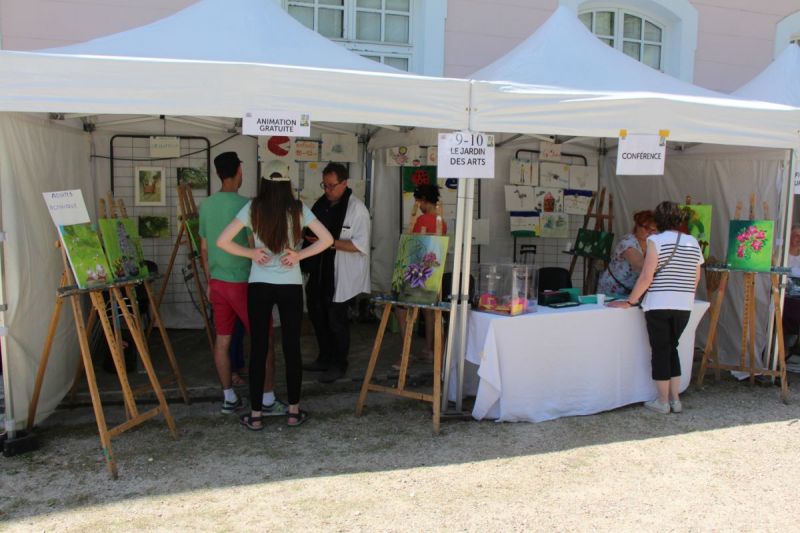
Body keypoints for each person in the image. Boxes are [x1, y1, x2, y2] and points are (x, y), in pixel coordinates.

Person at [217, 160, 333, 430]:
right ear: (287, 182)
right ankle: (293, 411)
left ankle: (256, 415)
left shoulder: (253, 207)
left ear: (264, 182)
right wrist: (299, 255)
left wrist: (251, 253)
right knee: (292, 348)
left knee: (258, 348)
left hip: (259, 284)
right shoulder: (298, 209)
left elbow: (222, 241)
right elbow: (327, 240)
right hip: (290, 284)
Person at [199, 151, 285, 416]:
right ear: (239, 171)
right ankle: (267, 400)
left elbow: (204, 249)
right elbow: (252, 245)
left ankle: (228, 398)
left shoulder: (206, 205)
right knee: (264, 340)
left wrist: (209, 280)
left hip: (218, 282)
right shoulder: (247, 205)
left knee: (222, 340)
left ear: (217, 173)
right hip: (244, 283)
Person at [610, 201, 703, 414]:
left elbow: (646, 275)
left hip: (659, 304)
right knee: (672, 349)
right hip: (684, 305)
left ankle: (662, 401)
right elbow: (696, 277)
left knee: (660, 351)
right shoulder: (692, 242)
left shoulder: (656, 241)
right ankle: (675, 400)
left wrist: (630, 301)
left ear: (658, 220)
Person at [301, 162, 371, 384]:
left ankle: (339, 363)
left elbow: (360, 245)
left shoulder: (357, 209)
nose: (328, 190)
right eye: (325, 185)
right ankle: (324, 357)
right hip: (319, 270)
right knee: (317, 315)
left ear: (344, 183)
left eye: (332, 185)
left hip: (340, 273)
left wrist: (329, 243)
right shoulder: (321, 204)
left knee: (336, 320)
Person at [394, 184, 447, 366]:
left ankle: (406, 352)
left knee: (401, 309)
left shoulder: (423, 220)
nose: (418, 206)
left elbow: (414, 247)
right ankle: (428, 350)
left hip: (417, 273)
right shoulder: (441, 221)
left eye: (418, 202)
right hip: (433, 274)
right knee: (428, 311)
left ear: (423, 200)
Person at [597, 210, 657, 296]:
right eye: (646, 228)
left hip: (631, 290)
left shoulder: (652, 244)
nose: (650, 232)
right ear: (637, 226)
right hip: (613, 288)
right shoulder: (627, 242)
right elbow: (639, 265)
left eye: (653, 229)